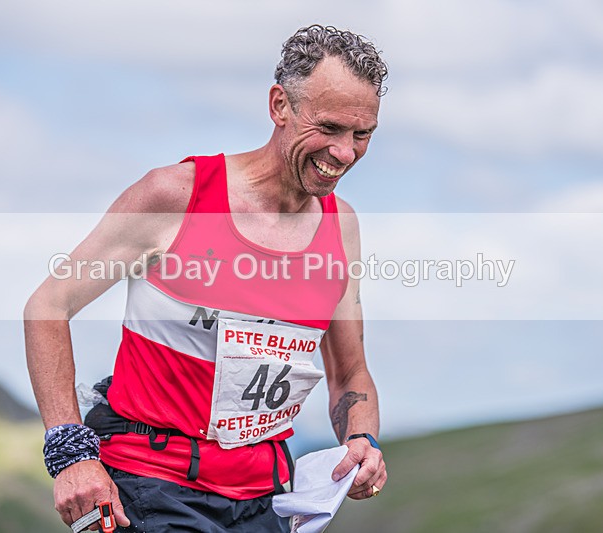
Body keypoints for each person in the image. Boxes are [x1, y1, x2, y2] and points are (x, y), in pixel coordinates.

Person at [25, 24, 389, 532]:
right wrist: (69, 453)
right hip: (148, 487)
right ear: (280, 105)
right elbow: (49, 304)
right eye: (328, 127)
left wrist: (363, 441)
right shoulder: (176, 197)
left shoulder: (341, 225)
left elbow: (350, 375)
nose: (344, 153)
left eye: (361, 134)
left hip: (264, 499)